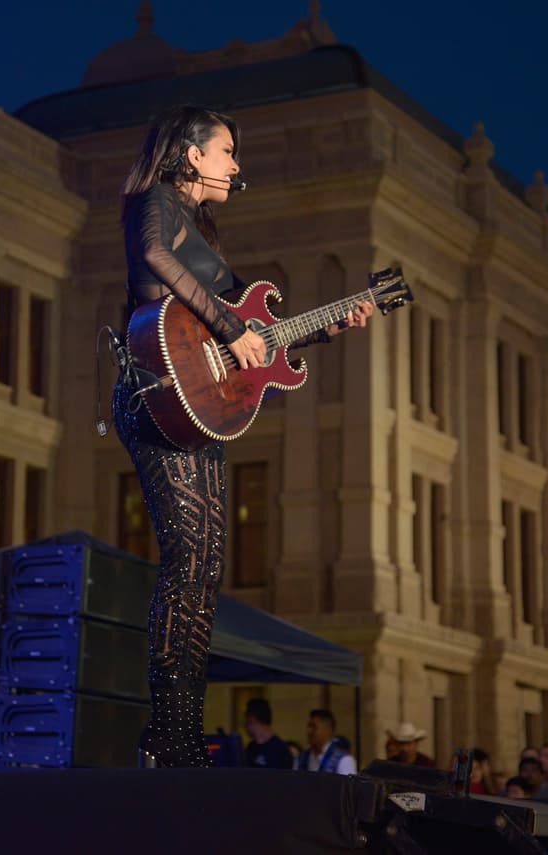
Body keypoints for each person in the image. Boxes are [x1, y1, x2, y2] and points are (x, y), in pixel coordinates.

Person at [114, 105, 373, 768]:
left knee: (203, 570)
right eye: (226, 150)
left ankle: (182, 732)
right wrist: (231, 332)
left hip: (202, 405)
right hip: (157, 393)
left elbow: (259, 329)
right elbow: (150, 258)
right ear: (192, 155)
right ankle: (164, 737)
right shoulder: (156, 202)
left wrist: (333, 321)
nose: (235, 164)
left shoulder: (203, 230)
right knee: (185, 564)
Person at [297, 709, 357, 775]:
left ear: (328, 730)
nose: (309, 731)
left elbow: (348, 785)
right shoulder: (302, 758)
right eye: (309, 726)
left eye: (314, 727)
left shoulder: (343, 760)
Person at [243, 698, 292, 769]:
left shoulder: (280, 750)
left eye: (247, 721)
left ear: (252, 719)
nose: (245, 726)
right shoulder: (251, 748)